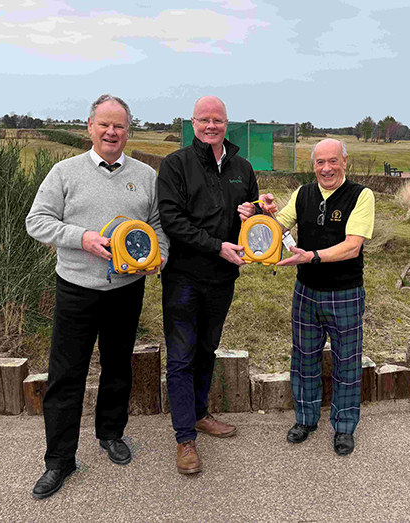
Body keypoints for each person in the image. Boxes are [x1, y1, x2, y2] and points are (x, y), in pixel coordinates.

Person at [25, 94, 167, 499]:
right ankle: (59, 461)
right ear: (89, 127)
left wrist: (159, 257)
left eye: (119, 126)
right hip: (76, 289)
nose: (111, 132)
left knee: (118, 367)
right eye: (104, 124)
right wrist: (81, 238)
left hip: (126, 289)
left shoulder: (145, 175)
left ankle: (110, 433)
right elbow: (37, 221)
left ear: (128, 131)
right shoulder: (64, 172)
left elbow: (157, 225)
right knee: (66, 375)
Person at [157, 95, 266, 474]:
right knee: (182, 356)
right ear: (192, 123)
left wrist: (257, 211)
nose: (210, 126)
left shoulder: (242, 167)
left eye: (217, 120)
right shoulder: (175, 165)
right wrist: (216, 246)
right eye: (203, 120)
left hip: (223, 279)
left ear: (226, 123)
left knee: (207, 349)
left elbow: (252, 221)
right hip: (183, 279)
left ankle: (200, 413)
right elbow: (172, 220)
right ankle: (185, 438)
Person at [267, 138, 375, 456]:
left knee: (347, 363)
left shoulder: (361, 195)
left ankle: (343, 428)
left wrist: (311, 256)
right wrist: (262, 213)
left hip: (345, 293)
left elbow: (352, 246)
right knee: (303, 359)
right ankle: (306, 419)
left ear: (345, 162)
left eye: (332, 161)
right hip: (306, 292)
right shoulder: (303, 193)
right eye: (319, 162)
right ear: (312, 164)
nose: (326, 168)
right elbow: (278, 227)